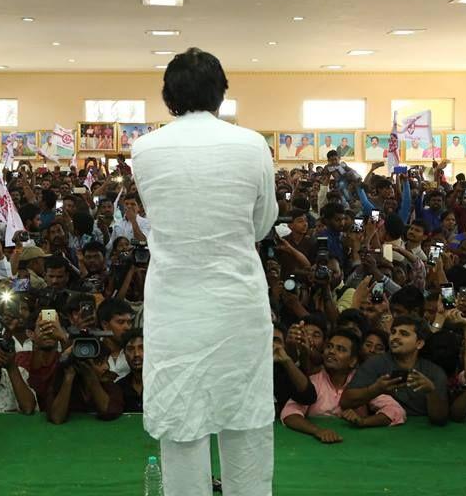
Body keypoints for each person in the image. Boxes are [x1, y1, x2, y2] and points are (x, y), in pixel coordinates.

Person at [131, 48, 278, 496]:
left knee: (181, 423)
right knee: (246, 422)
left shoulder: (144, 149)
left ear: (168, 96)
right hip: (237, 301)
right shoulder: (253, 144)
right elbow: (263, 221)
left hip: (175, 306)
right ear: (221, 93)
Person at [281, 330, 405, 443]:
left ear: (353, 361)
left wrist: (364, 422)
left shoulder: (362, 382)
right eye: (329, 347)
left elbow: (395, 411)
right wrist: (317, 431)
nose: (332, 351)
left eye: (340, 349)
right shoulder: (314, 381)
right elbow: (289, 414)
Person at [340, 315, 449, 424]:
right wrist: (375, 389)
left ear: (419, 343)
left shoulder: (434, 372)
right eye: (393, 332)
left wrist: (431, 392)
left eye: (404, 334)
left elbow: (440, 419)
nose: (395, 337)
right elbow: (345, 402)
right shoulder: (376, 363)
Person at [117, 329, 144, 412]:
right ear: (124, 354)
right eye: (130, 349)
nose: (136, 354)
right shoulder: (119, 387)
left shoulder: (161, 385)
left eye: (142, 348)